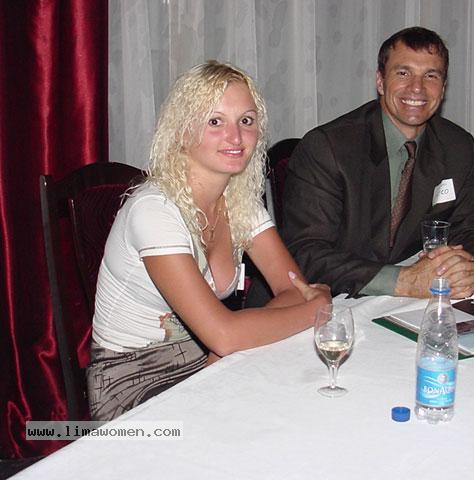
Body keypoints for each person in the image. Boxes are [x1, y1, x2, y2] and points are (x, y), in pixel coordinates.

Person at [87, 60, 331, 421]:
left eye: (246, 121)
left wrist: (233, 337)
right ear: (182, 130)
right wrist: (315, 310)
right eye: (215, 121)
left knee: (302, 407)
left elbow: (291, 288)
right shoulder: (154, 210)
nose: (235, 137)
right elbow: (231, 332)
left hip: (206, 361)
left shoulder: (239, 199)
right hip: (132, 382)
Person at [282, 27, 474, 300]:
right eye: (403, 73)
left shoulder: (456, 146)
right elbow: (305, 253)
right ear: (380, 81)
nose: (417, 87)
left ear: (443, 88)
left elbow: (471, 228)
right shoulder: (328, 147)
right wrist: (404, 281)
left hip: (406, 305)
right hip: (328, 300)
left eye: (431, 75)